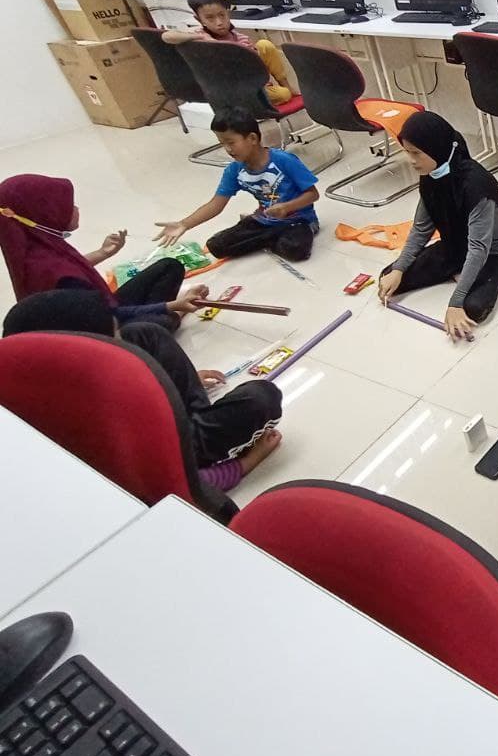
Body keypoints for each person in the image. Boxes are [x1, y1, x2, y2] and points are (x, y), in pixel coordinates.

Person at [3, 290, 283, 492]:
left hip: (157, 413)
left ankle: (191, 413)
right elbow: (175, 486)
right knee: (261, 398)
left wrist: (178, 380)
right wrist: (246, 464)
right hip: (170, 445)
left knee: (145, 332)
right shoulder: (83, 431)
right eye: (114, 337)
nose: (122, 339)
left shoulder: (42, 379)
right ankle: (198, 438)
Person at [377, 113, 498, 342]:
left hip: (492, 251)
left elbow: (479, 248)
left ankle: (467, 274)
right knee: (388, 276)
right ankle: (457, 271)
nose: (411, 160)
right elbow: (421, 230)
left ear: (436, 148)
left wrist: (456, 302)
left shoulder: (476, 184)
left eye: (416, 153)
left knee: (472, 309)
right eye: (407, 152)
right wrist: (399, 269)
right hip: (455, 244)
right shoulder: (430, 174)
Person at [0, 174, 205, 327]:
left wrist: (103, 252)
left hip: (96, 309)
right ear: (46, 212)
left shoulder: (37, 245)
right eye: (68, 205)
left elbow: (68, 269)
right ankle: (170, 317)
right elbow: (110, 316)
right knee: (155, 326)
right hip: (104, 329)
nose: (76, 208)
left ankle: (159, 313)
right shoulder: (53, 272)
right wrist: (174, 306)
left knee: (169, 266)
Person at [154, 108, 320, 262]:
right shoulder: (234, 170)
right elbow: (216, 204)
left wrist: (286, 207)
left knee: (295, 250)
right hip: (264, 220)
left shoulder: (284, 160)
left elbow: (313, 194)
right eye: (222, 143)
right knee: (216, 246)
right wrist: (184, 224)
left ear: (252, 138)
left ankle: (264, 237)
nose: (227, 149)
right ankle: (268, 236)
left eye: (231, 142)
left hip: (298, 220)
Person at [163, 0, 296, 107]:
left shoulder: (239, 38)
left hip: (253, 81)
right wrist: (200, 37)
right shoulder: (201, 38)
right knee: (283, 95)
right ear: (199, 19)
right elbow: (166, 36)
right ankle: (257, 103)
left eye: (222, 15)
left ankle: (286, 86)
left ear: (228, 13)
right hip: (237, 90)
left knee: (264, 45)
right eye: (210, 18)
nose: (219, 22)